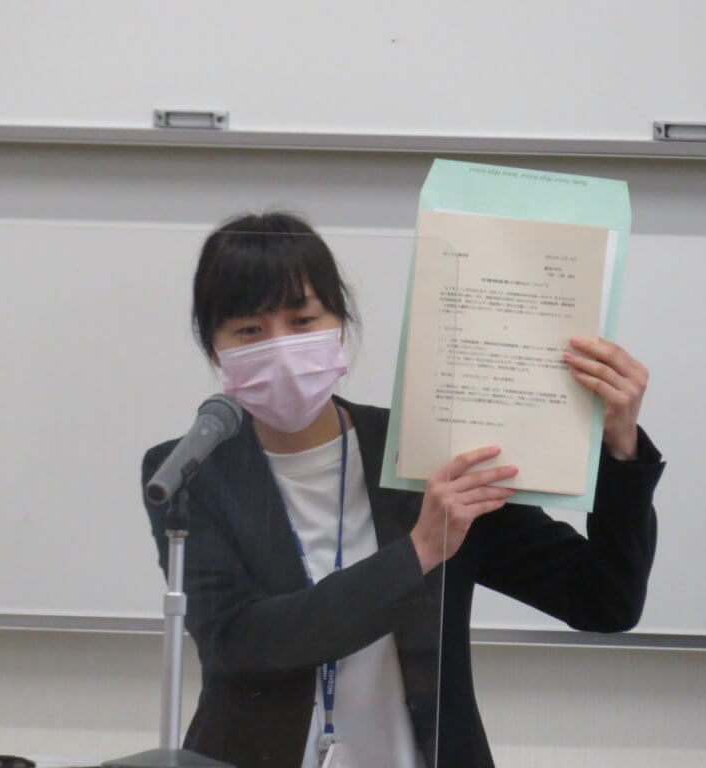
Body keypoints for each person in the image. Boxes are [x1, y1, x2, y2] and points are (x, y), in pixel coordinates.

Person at [142, 212, 664, 768]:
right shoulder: (191, 470)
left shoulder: (424, 453)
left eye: (302, 320)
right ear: (214, 348)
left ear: (340, 325)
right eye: (250, 330)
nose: (282, 347)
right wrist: (418, 552)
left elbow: (603, 600)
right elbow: (241, 644)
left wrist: (620, 450)